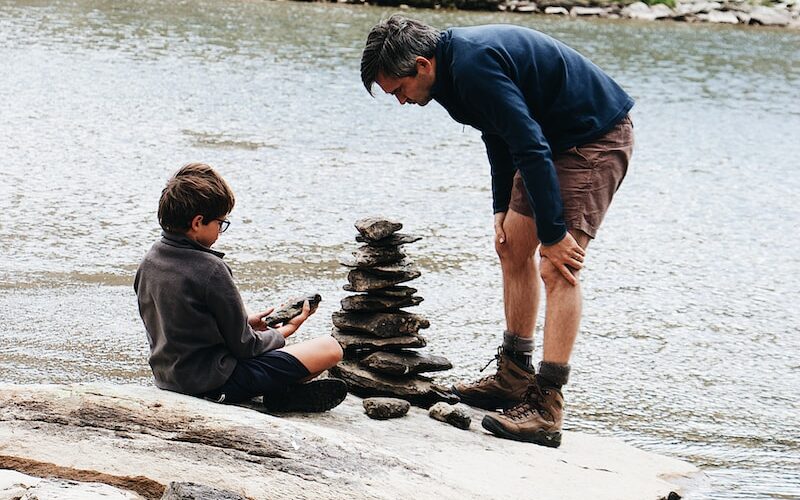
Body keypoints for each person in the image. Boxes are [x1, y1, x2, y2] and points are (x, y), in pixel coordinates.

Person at [361, 16, 634, 447]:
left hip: (591, 140)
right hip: (545, 141)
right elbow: (496, 134)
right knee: (511, 245)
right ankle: (513, 376)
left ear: (421, 65)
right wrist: (501, 207)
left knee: (558, 265)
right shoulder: (447, 76)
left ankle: (547, 405)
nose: (401, 102)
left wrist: (555, 232)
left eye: (398, 90)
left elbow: (527, 143)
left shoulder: (472, 65)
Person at [134, 163, 346, 412]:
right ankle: (280, 393)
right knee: (329, 349)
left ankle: (283, 393)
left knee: (288, 355)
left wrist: (246, 321)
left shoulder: (149, 261)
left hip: (169, 378)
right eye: (220, 223)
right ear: (198, 222)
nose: (220, 231)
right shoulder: (211, 269)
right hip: (214, 383)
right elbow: (246, 347)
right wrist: (286, 331)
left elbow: (183, 327)